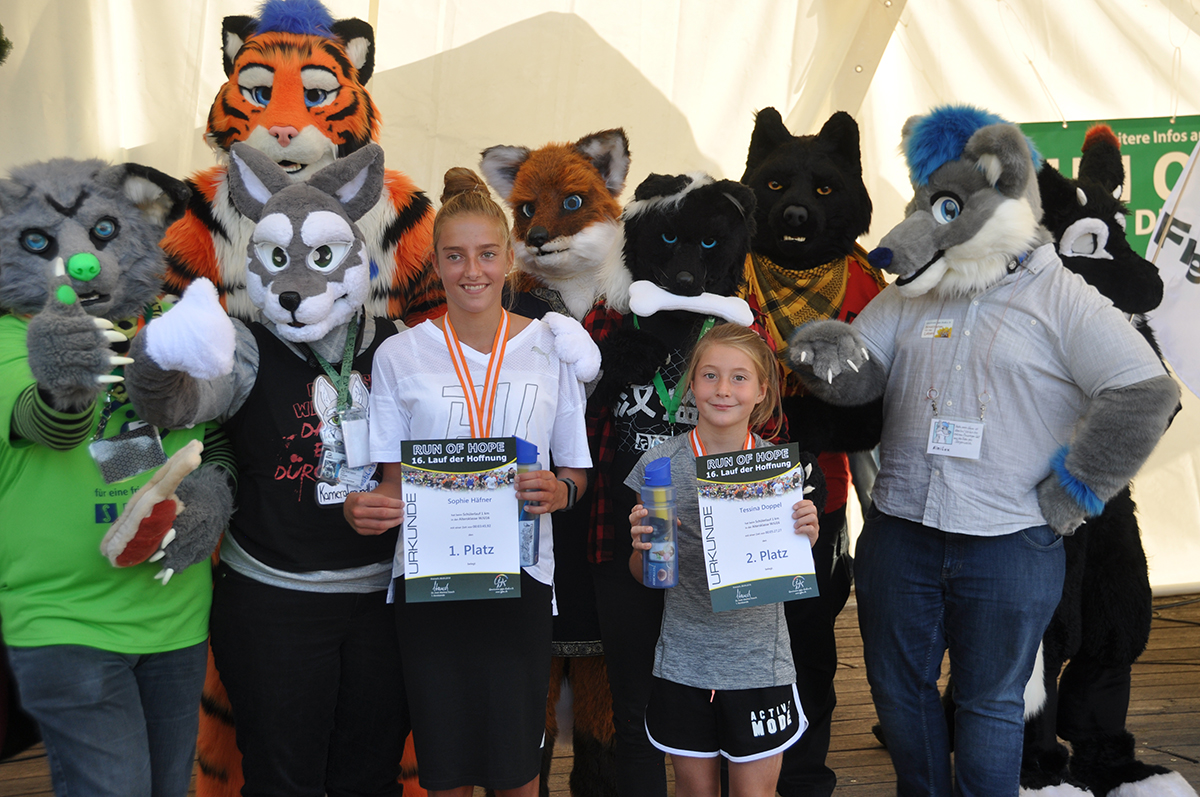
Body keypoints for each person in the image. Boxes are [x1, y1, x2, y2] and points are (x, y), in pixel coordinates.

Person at [345, 167, 593, 797]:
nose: (471, 271)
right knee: (446, 769)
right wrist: (364, 509)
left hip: (521, 577)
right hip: (431, 580)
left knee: (516, 772)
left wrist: (562, 492)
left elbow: (575, 470)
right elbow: (392, 485)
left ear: (509, 259)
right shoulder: (398, 354)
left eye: (486, 254)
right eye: (455, 256)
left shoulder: (551, 349)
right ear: (436, 263)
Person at [624, 323, 823, 797]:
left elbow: (787, 567)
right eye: (710, 375)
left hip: (759, 663)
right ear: (691, 384)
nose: (723, 389)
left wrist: (807, 538)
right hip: (684, 662)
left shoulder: (781, 470)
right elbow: (645, 576)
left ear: (762, 391)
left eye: (739, 378)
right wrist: (644, 551)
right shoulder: (659, 465)